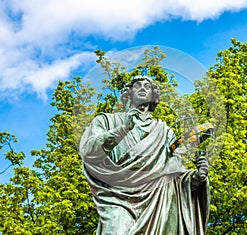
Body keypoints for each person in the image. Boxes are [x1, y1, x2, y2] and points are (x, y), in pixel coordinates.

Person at [79, 75, 210, 235]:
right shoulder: (107, 121)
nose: (142, 88)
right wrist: (122, 130)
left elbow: (174, 174)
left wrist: (196, 178)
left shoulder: (164, 132)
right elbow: (88, 150)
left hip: (159, 199)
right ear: (128, 93)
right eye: (137, 85)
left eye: (147, 87)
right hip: (118, 197)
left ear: (153, 96)